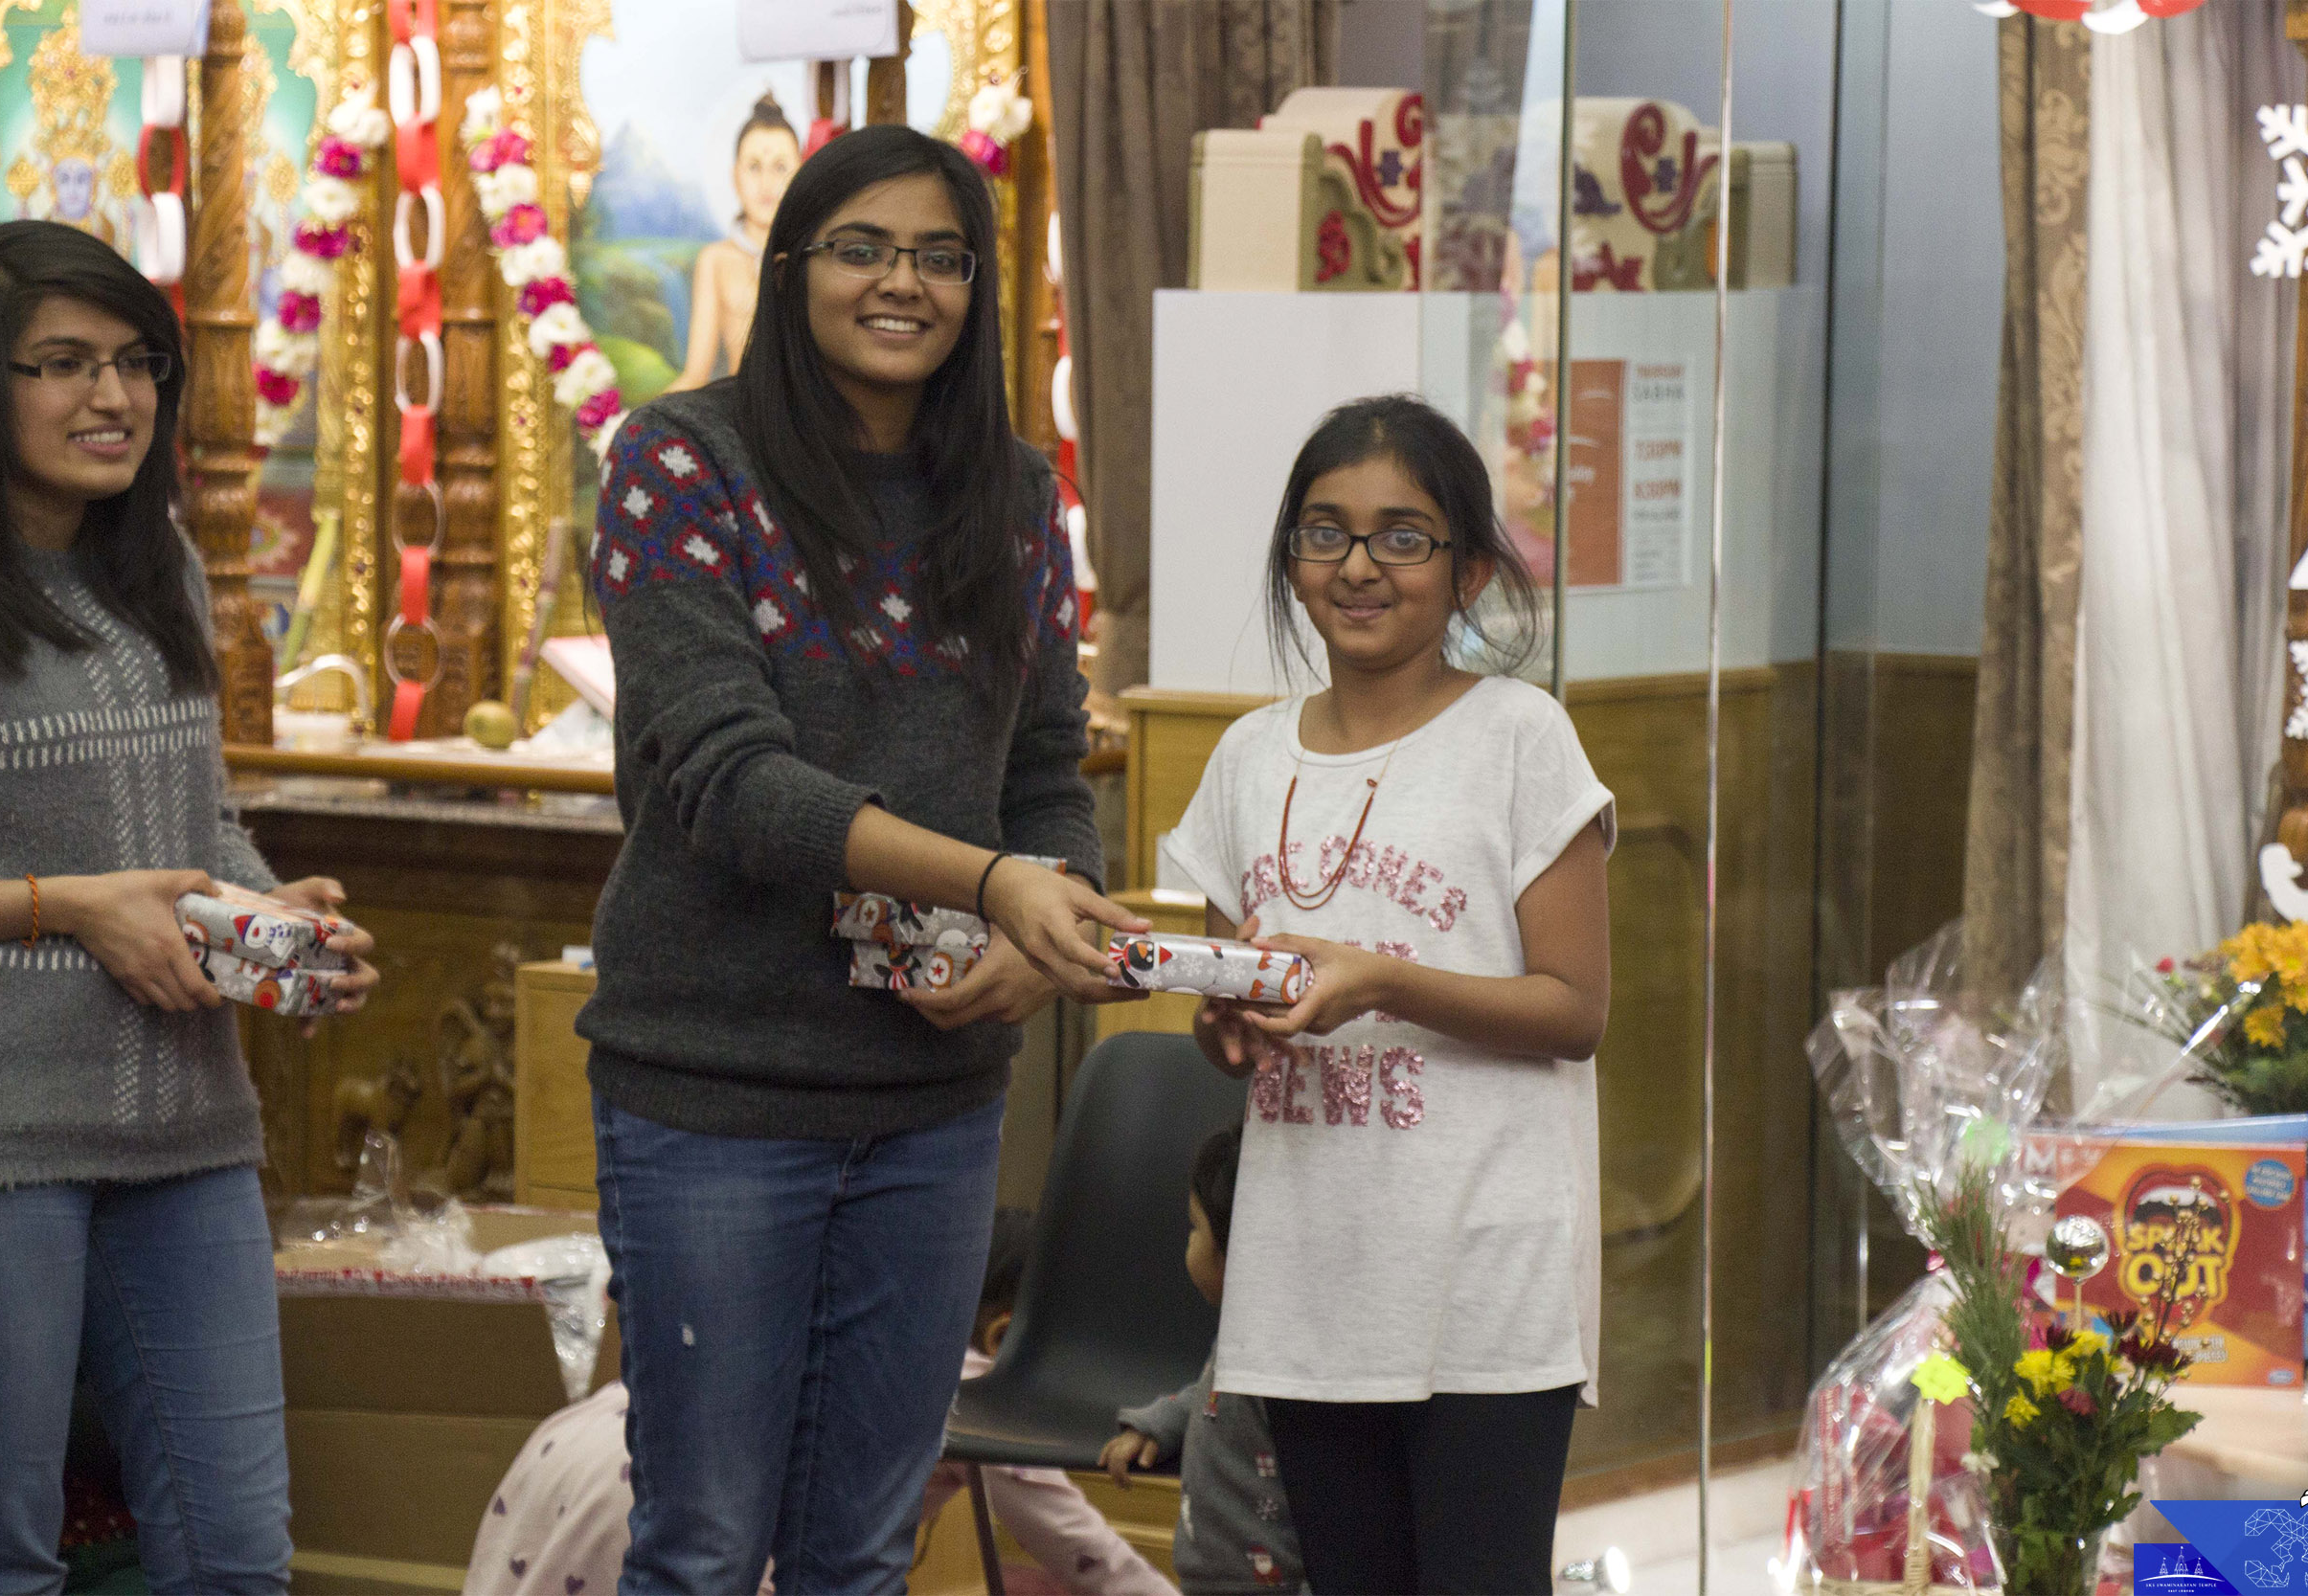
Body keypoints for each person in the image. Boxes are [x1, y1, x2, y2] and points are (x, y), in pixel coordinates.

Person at [581, 124, 1145, 1594]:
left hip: (936, 1103)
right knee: (704, 1544)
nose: (904, 282)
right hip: (714, 1084)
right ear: (789, 269)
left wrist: (1041, 918)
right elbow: (727, 780)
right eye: (863, 248)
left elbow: (1045, 760)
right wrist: (987, 883)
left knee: (861, 1549)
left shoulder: (1016, 497)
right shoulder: (678, 462)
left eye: (941, 256)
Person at [0, 218, 381, 1593]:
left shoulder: (166, 572)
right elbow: (102, 885)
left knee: (235, 1555)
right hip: (3, 1146)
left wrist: (277, 921)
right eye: (62, 363)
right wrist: (68, 905)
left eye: (137, 362)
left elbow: (198, 827)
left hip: (191, 1134)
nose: (112, 396)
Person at [1165, 393, 1615, 1595]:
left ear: (1467, 570)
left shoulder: (1522, 736)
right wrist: (1228, 1018)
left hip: (1487, 1276)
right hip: (1309, 1276)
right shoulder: (1247, 757)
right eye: (1326, 533)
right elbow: (1237, 1016)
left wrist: (1382, 983)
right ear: (1292, 559)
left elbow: (1575, 1006)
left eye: (1402, 536)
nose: (1359, 565)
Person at [464, 1210, 1173, 1596]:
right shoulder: (979, 1391)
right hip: (690, 1497)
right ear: (1003, 1334)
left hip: (589, 1446)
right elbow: (1085, 1553)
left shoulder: (860, 1325)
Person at [1098, 1126, 1301, 1596]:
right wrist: (1160, 1422)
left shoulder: (1294, 1365)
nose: (1188, 1244)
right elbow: (1213, 1397)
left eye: (1195, 1228)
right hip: (1210, 1576)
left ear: (1242, 1252)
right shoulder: (1237, 1337)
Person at [668, 91, 803, 392]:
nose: (766, 183)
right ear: (735, 177)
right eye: (754, 167)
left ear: (800, 176)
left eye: (780, 167)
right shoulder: (715, 260)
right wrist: (639, 427)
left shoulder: (810, 257)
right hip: (738, 414)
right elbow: (695, 376)